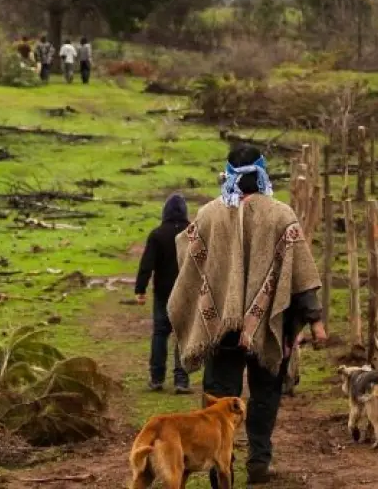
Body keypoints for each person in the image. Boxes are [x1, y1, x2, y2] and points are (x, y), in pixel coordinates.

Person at [167, 143, 327, 487]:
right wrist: (315, 320)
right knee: (266, 391)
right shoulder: (281, 214)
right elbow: (301, 274)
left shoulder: (209, 214)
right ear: (262, 172)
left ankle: (218, 466)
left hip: (220, 330)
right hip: (268, 327)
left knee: (219, 399)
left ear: (228, 174)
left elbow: (188, 257)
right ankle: (259, 458)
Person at [135, 193, 192, 395]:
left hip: (163, 293)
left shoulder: (157, 234)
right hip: (187, 292)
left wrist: (140, 290)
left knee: (160, 333)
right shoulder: (192, 233)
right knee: (183, 335)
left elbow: (146, 264)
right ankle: (181, 380)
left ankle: (157, 378)